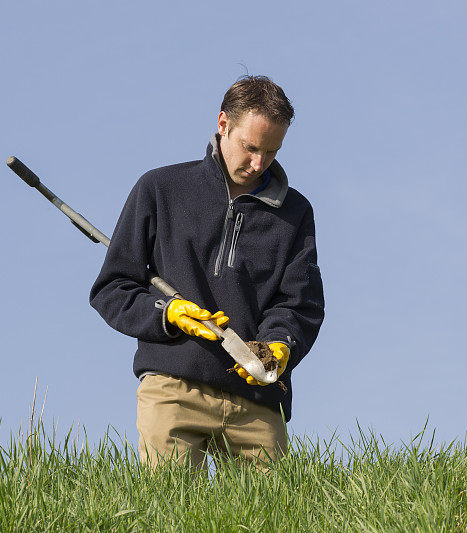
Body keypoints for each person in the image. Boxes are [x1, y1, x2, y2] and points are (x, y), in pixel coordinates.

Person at [89, 75, 325, 471]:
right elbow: (112, 289)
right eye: (250, 148)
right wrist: (167, 313)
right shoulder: (159, 188)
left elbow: (299, 304)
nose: (258, 163)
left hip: (257, 401)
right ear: (223, 124)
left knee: (278, 517)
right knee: (170, 514)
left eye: (271, 151)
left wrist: (281, 345)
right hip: (172, 387)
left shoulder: (295, 212)